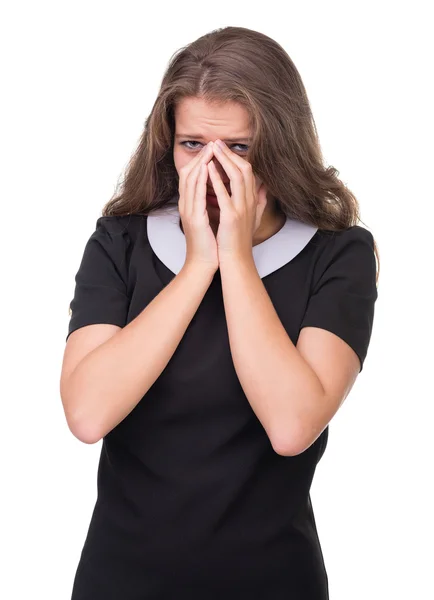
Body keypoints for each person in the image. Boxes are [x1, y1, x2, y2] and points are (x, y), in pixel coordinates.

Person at [60, 25, 379, 600]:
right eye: (192, 145)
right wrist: (195, 268)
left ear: (278, 149)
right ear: (167, 144)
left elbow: (291, 426)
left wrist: (235, 259)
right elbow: (87, 414)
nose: (211, 170)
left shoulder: (340, 254)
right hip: (121, 582)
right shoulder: (121, 244)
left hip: (272, 582)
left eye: (238, 149)